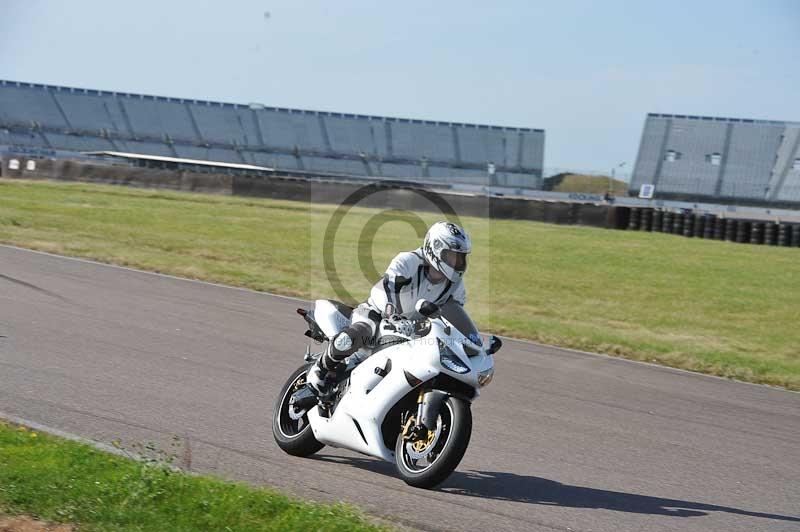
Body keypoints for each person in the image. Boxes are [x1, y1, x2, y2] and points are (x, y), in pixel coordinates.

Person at [307, 220, 472, 396]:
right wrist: (393, 316)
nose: (457, 262)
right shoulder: (409, 261)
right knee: (364, 330)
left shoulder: (456, 286)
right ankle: (321, 368)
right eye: (453, 256)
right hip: (378, 314)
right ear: (436, 248)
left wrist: (467, 341)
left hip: (414, 331)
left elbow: (453, 317)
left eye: (461, 257)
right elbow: (390, 288)